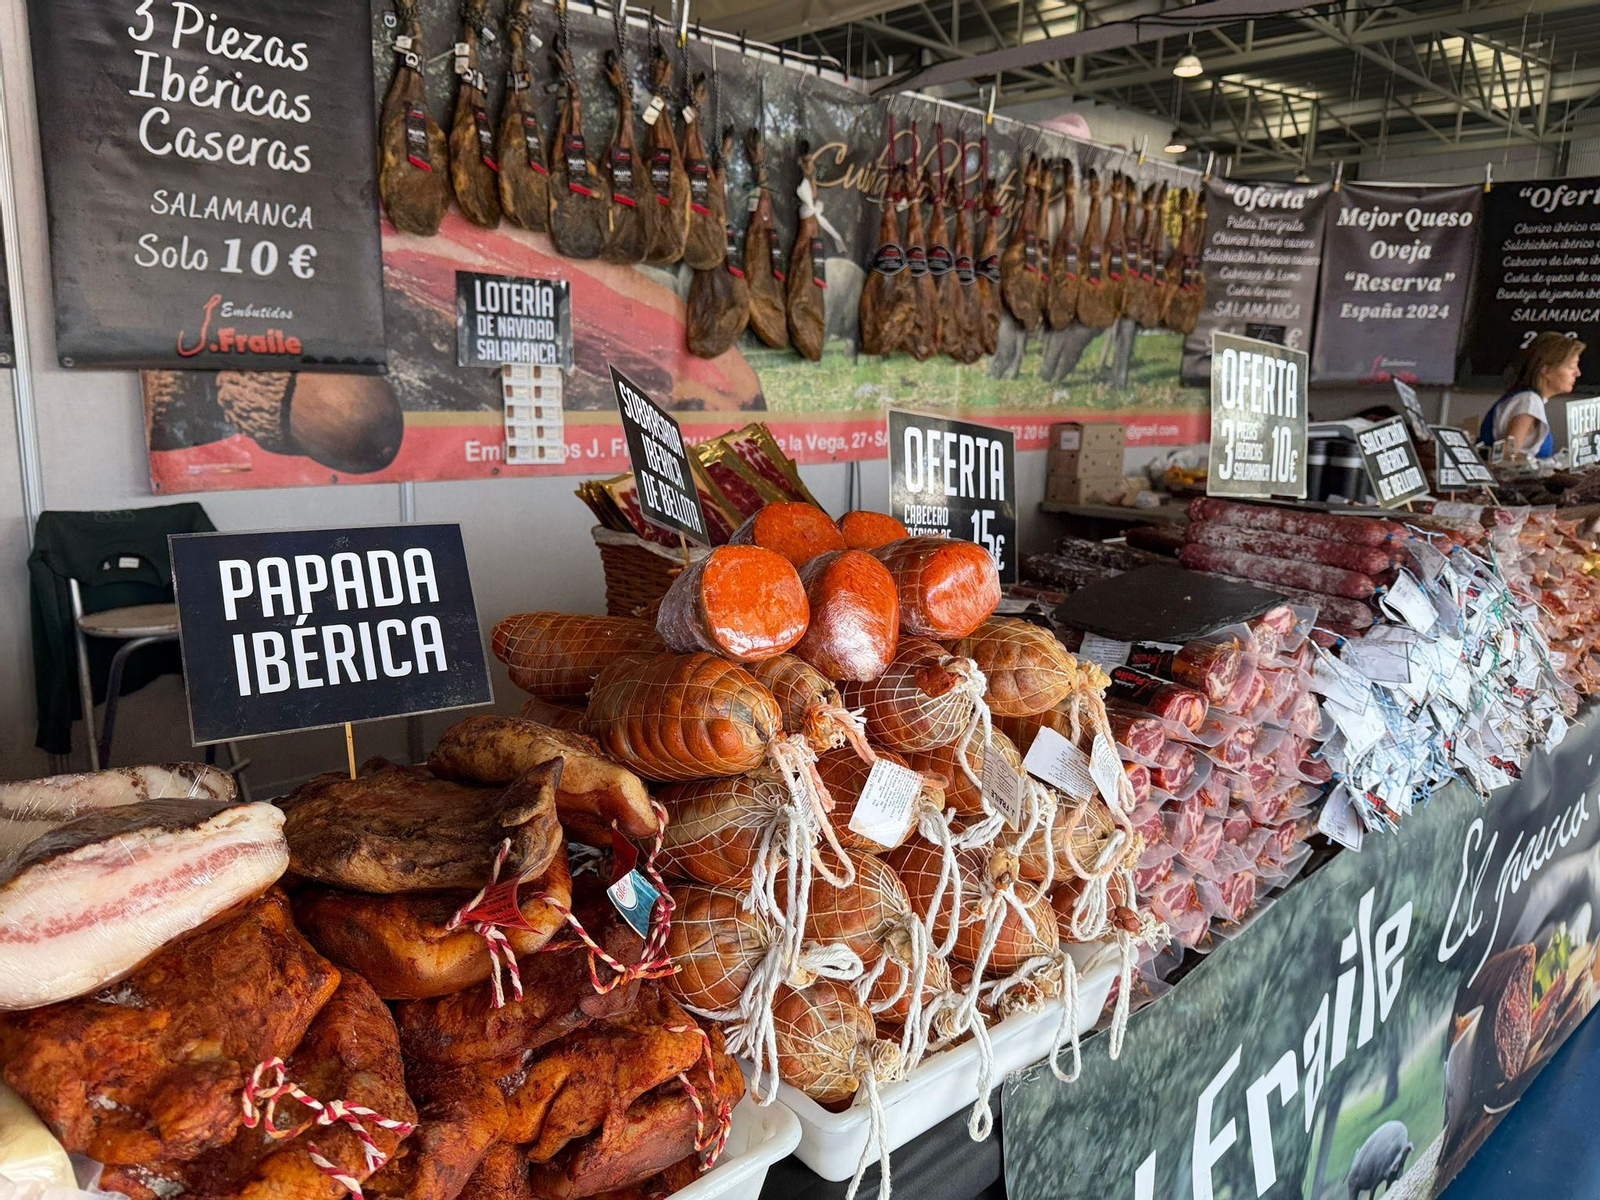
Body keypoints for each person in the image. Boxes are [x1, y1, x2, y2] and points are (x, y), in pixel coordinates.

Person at [1479, 332, 1586, 460]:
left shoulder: (1527, 399)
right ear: (1546, 370)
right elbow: (1508, 456)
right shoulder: (1529, 401)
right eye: (1571, 367)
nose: (1578, 373)